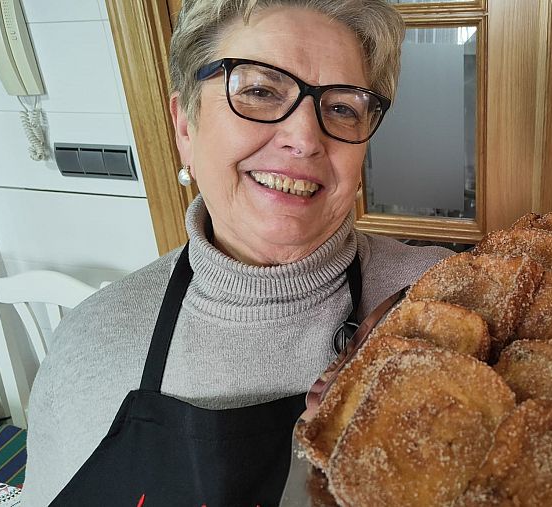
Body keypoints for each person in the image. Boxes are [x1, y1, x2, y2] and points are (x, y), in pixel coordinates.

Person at [22, 1, 452, 504]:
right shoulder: (91, 341)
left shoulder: (444, 301)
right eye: (260, 91)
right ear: (185, 126)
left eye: (341, 108)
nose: (303, 139)